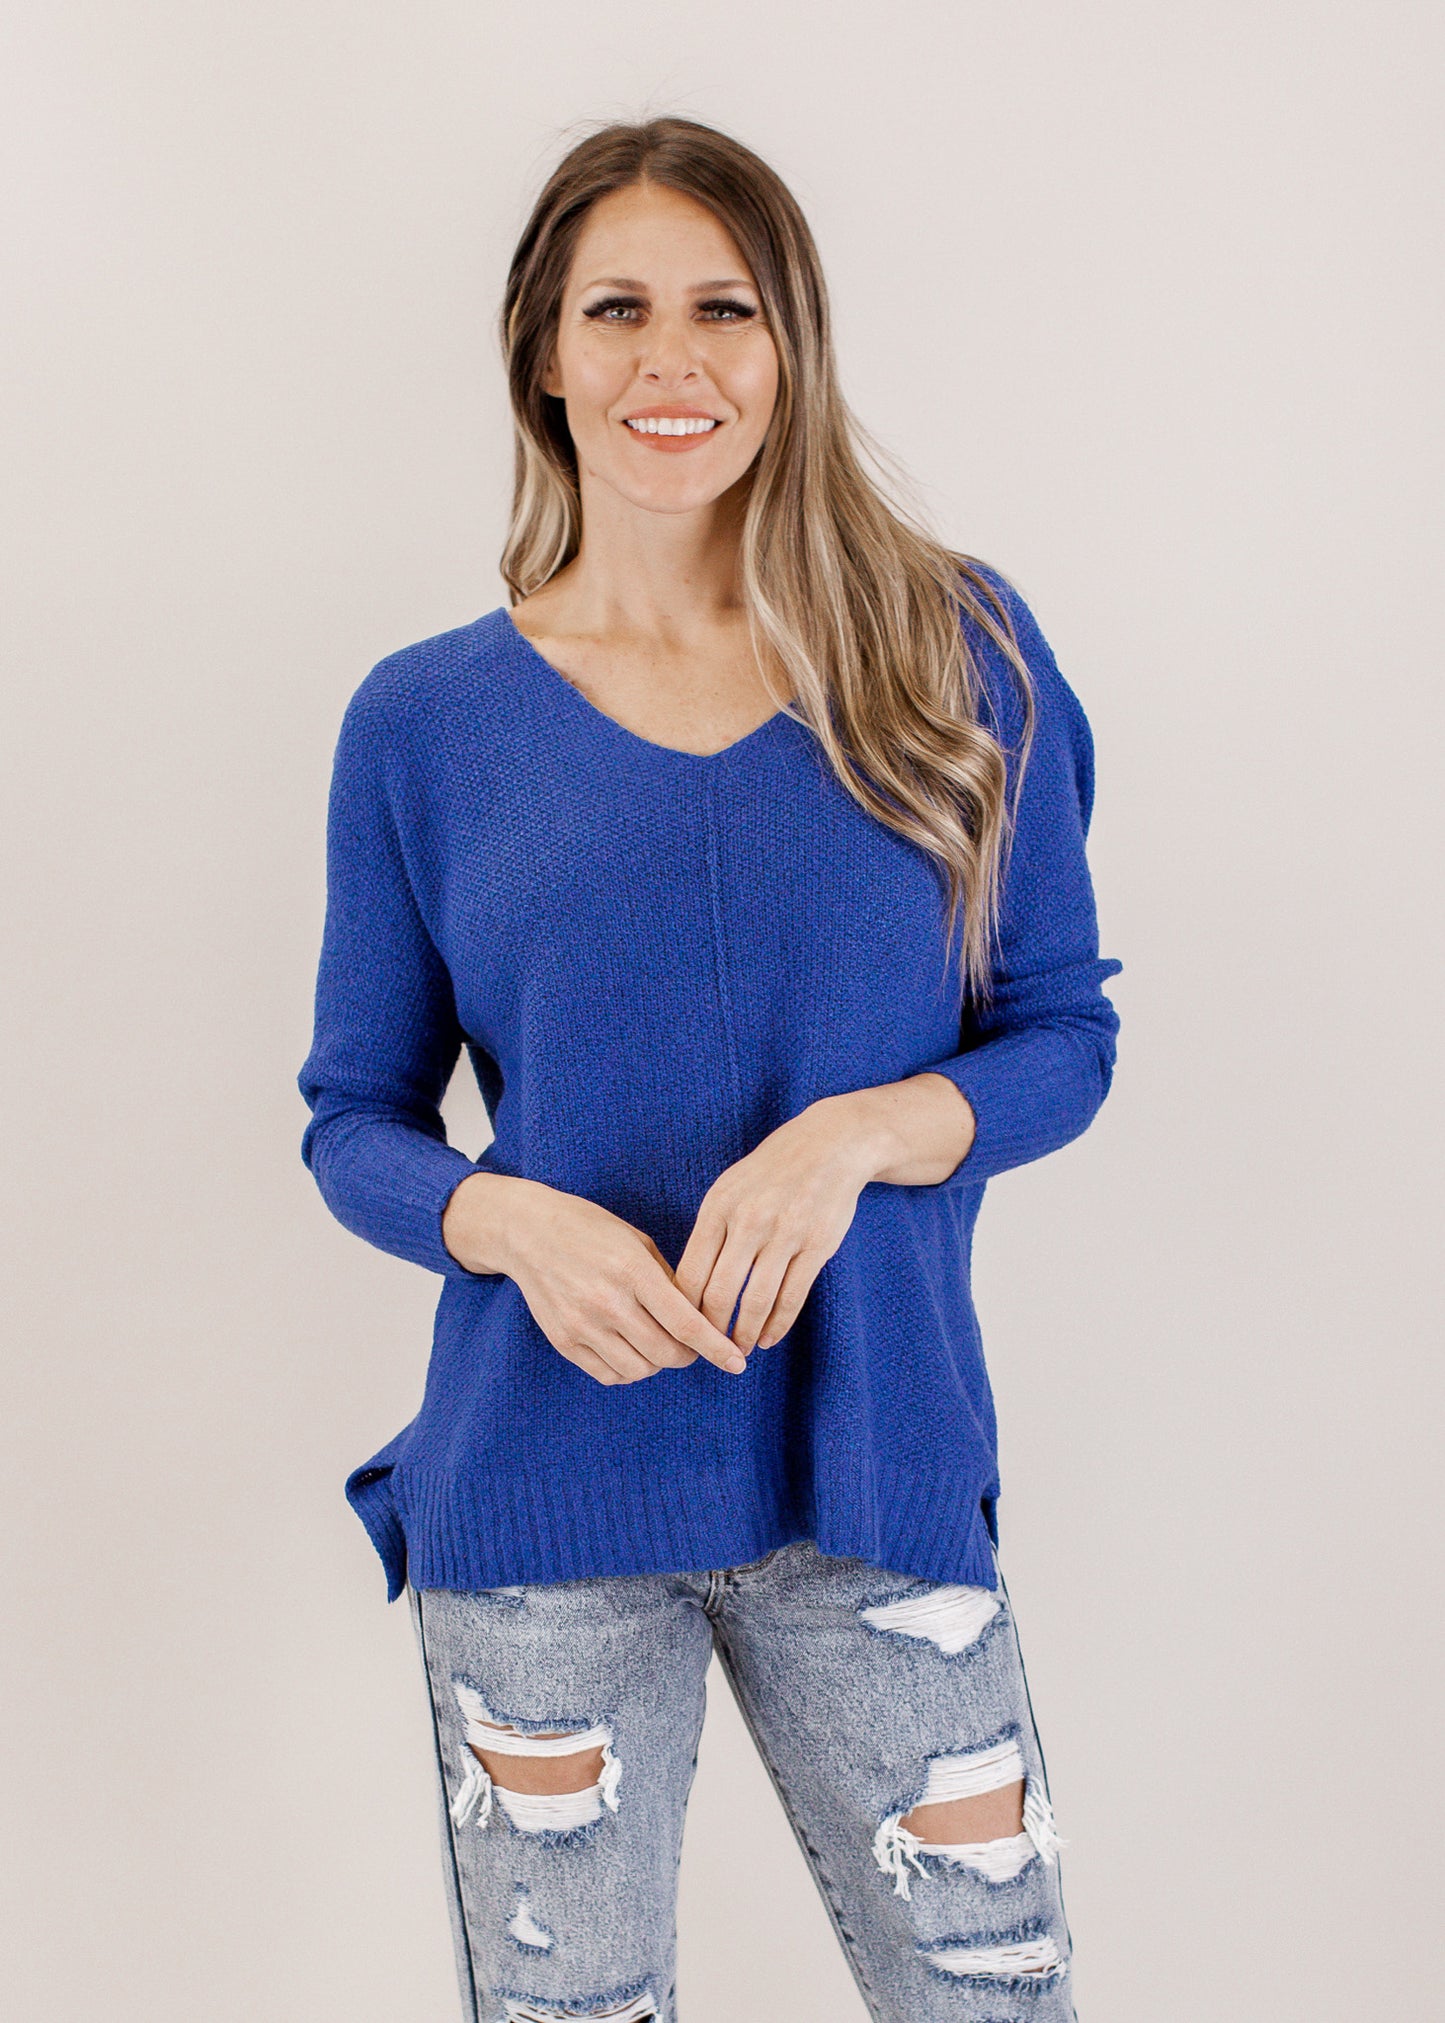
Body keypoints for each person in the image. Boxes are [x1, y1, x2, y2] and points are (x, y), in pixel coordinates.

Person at [297, 114, 1122, 2023]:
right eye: (617, 309)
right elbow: (355, 1122)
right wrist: (506, 1222)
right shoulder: (424, 723)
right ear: (544, 350)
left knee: (991, 1999)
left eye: (723, 309)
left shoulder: (952, 652)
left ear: (789, 343)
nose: (670, 360)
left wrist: (857, 1136)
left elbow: (1062, 1037)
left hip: (874, 1470)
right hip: (541, 1504)